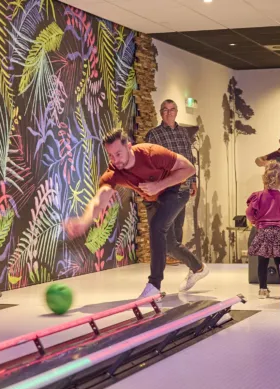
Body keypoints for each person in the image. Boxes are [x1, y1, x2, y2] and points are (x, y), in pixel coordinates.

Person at [63, 129, 209, 300]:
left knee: (157, 227)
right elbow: (100, 199)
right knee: (168, 245)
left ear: (129, 146)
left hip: (176, 190)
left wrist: (159, 185)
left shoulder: (151, 153)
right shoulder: (114, 172)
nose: (115, 160)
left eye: (118, 154)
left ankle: (154, 285)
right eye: (110, 155)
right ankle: (199, 268)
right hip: (152, 198)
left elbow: (189, 168)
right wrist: (84, 221)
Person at [144, 99, 197, 245]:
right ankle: (166, 253)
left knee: (178, 225)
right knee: (166, 225)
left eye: (172, 109)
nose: (169, 113)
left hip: (183, 185)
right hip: (166, 187)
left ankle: (175, 252)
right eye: (165, 110)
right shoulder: (154, 134)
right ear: (161, 113)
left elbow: (189, 157)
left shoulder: (183, 133)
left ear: (176, 112)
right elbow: (149, 161)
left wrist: (193, 181)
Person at [246, 161, 280, 298]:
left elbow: (249, 212)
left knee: (262, 261)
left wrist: (255, 220)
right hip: (277, 232)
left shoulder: (258, 196)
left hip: (263, 231)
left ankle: (262, 289)